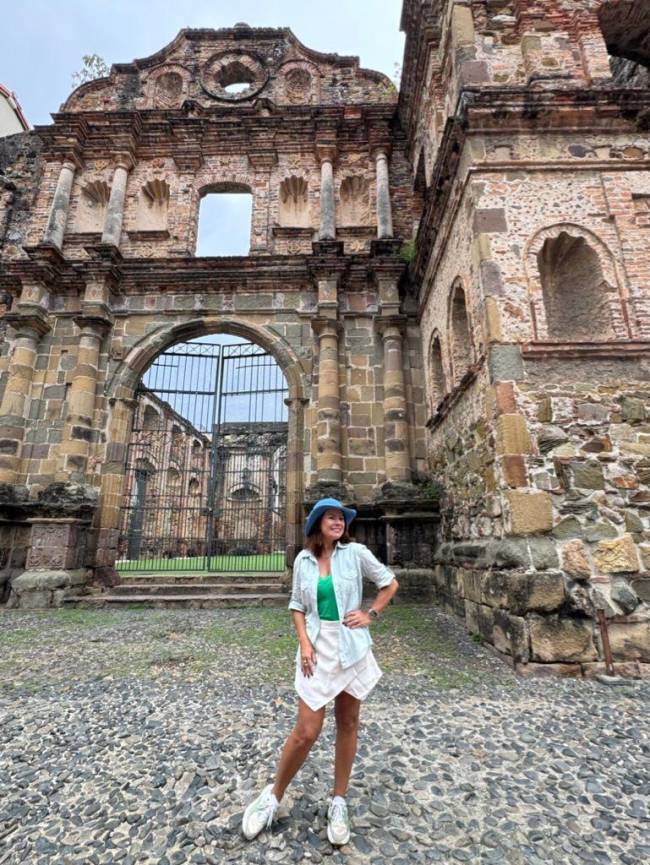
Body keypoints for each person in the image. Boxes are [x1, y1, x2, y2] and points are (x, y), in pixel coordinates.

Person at [242, 497, 399, 845]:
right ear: (317, 524)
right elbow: (297, 606)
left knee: (348, 722)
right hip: (317, 645)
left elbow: (389, 583)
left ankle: (339, 800)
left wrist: (371, 614)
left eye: (341, 518)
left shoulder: (355, 553)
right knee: (307, 730)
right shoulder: (303, 560)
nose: (338, 522)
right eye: (331, 517)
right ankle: (272, 796)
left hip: (351, 645)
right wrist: (304, 643)